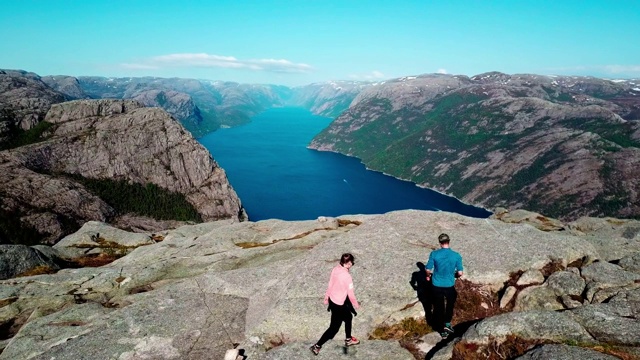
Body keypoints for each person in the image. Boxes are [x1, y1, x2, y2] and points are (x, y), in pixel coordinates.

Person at [310, 253, 361, 356]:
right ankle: (317, 346)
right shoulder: (347, 277)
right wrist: (356, 305)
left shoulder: (335, 269)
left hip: (332, 301)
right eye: (351, 262)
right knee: (333, 328)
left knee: (348, 317)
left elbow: (330, 284)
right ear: (349, 263)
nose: (352, 264)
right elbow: (350, 294)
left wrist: (326, 298)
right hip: (339, 304)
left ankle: (348, 338)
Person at [425, 233, 464, 339]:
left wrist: (428, 276)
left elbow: (428, 269)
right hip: (449, 285)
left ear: (440, 243)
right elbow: (460, 273)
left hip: (436, 285)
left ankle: (442, 330)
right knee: (450, 305)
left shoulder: (434, 254)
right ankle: (447, 323)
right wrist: (455, 275)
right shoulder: (456, 255)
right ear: (449, 241)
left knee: (439, 307)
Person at [410, 261, 434, 326]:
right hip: (431, 294)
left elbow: (412, 283)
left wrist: (416, 288)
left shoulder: (416, 274)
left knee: (427, 310)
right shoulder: (431, 275)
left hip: (423, 294)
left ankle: (430, 324)